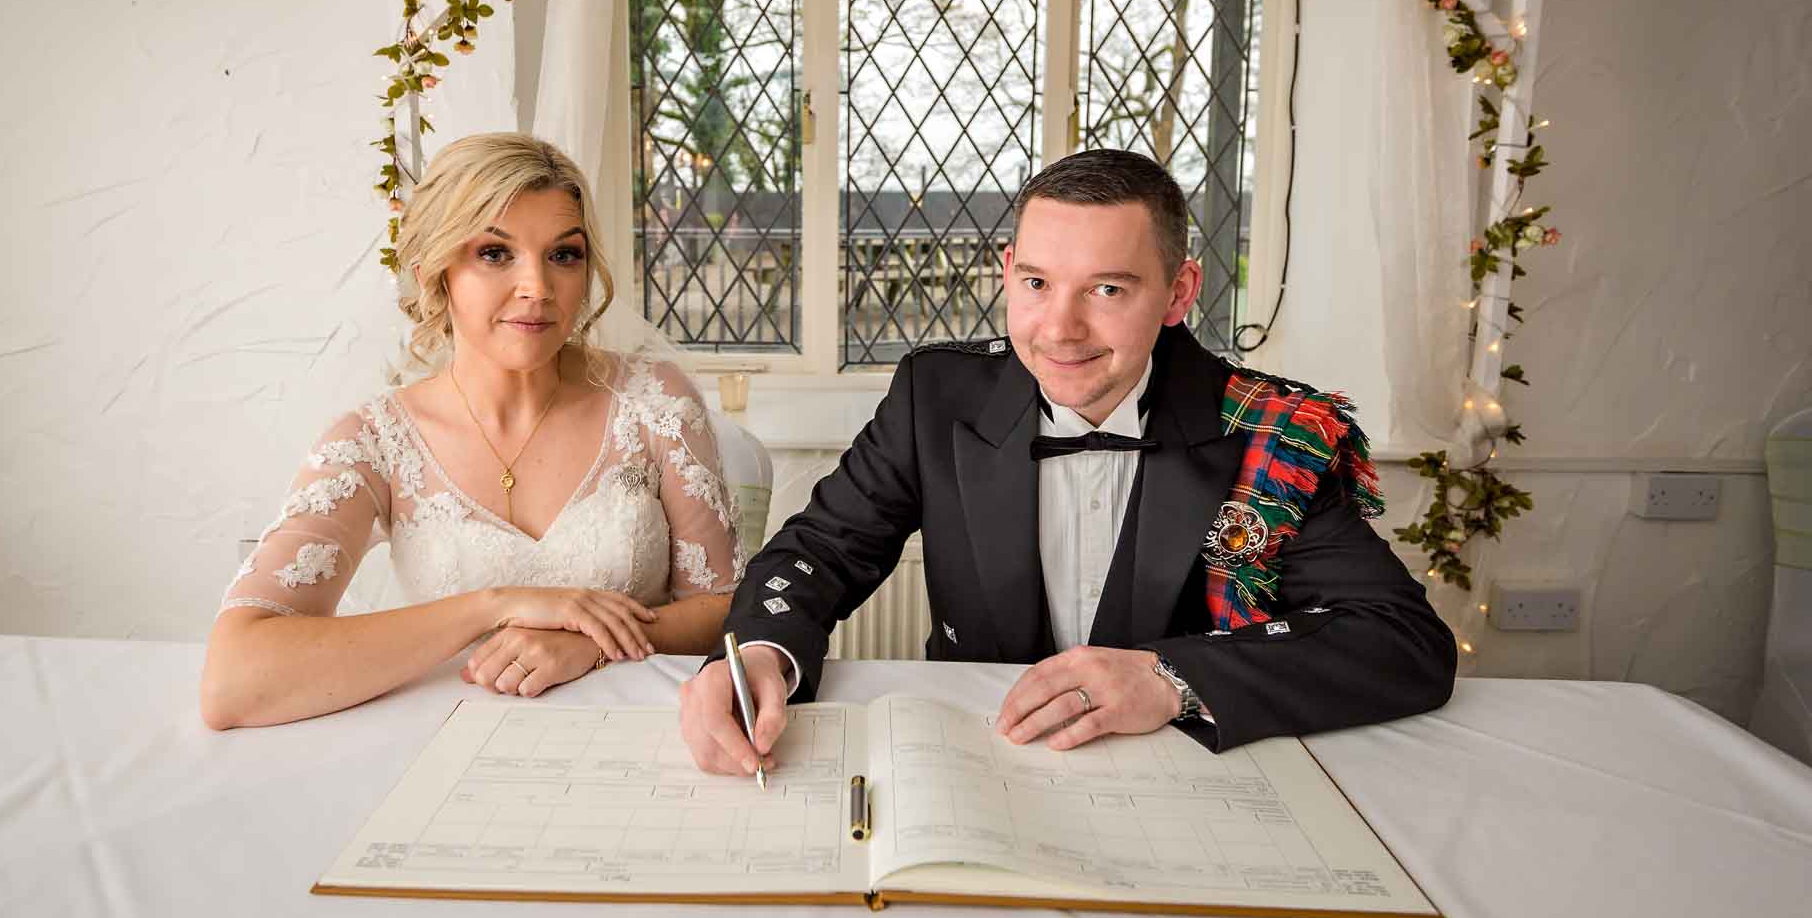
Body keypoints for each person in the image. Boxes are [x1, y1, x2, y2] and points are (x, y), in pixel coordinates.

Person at [679, 148, 1454, 773]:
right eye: (1037, 283)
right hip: (977, 758)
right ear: (1008, 269)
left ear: (1179, 292)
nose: (1059, 328)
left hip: (1182, 770)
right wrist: (759, 654)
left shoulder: (1272, 431)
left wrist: (1171, 679)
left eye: (1108, 289)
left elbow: (1401, 641)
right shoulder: (936, 393)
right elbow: (822, 548)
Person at [201, 133, 744, 729]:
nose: (537, 287)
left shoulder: (655, 404)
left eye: (564, 254)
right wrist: (499, 605)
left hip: (638, 735)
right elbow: (234, 683)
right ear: (435, 271)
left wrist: (591, 643)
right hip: (450, 744)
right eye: (495, 253)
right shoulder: (373, 441)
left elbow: (725, 609)